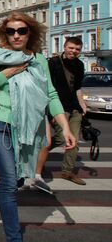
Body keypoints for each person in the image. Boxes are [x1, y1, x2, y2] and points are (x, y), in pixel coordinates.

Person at [0, 12, 76, 242]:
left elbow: (50, 95)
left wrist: (65, 128)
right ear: (5, 34)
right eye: (11, 31)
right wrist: (7, 72)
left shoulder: (39, 60)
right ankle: (14, 238)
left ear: (31, 32)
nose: (16, 35)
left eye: (22, 30)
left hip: (27, 125)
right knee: (10, 182)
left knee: (19, 178)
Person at [33, 36, 88, 192]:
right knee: (57, 139)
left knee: (73, 140)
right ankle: (38, 160)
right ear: (64, 47)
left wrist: (82, 104)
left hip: (74, 107)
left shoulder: (79, 65)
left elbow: (77, 87)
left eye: (77, 49)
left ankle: (67, 171)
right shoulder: (53, 63)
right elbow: (46, 87)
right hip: (58, 107)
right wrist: (48, 112)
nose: (74, 51)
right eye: (71, 48)